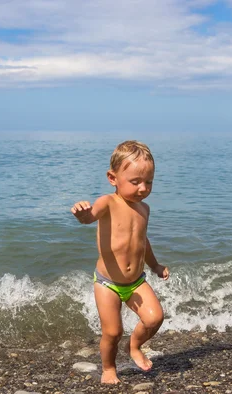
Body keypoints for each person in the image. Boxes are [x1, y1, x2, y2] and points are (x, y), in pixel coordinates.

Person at [71, 140, 170, 384]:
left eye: (148, 182)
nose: (142, 188)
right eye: (135, 182)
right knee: (113, 332)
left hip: (136, 281)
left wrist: (155, 265)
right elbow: (89, 217)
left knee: (155, 318)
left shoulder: (144, 209)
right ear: (113, 178)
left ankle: (134, 347)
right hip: (108, 283)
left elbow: (142, 242)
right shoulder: (108, 202)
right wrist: (83, 213)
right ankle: (108, 368)